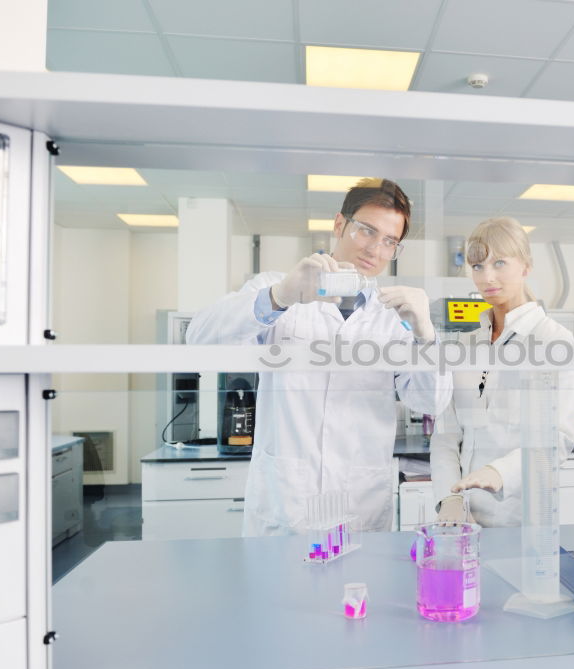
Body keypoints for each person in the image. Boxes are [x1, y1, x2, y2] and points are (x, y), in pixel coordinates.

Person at [187, 178, 452, 535]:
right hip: (286, 502)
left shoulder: (392, 317)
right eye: (366, 231)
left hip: (359, 505)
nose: (375, 249)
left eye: (390, 241)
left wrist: (426, 334)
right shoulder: (279, 289)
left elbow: (431, 400)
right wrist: (280, 296)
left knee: (358, 589)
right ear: (339, 224)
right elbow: (199, 339)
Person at [430, 217, 574, 527]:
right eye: (477, 266)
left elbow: (558, 439)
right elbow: (446, 434)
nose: (488, 277)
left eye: (499, 263)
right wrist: (450, 498)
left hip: (522, 516)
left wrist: (499, 473)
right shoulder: (466, 343)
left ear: (525, 266)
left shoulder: (553, 340)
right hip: (464, 518)